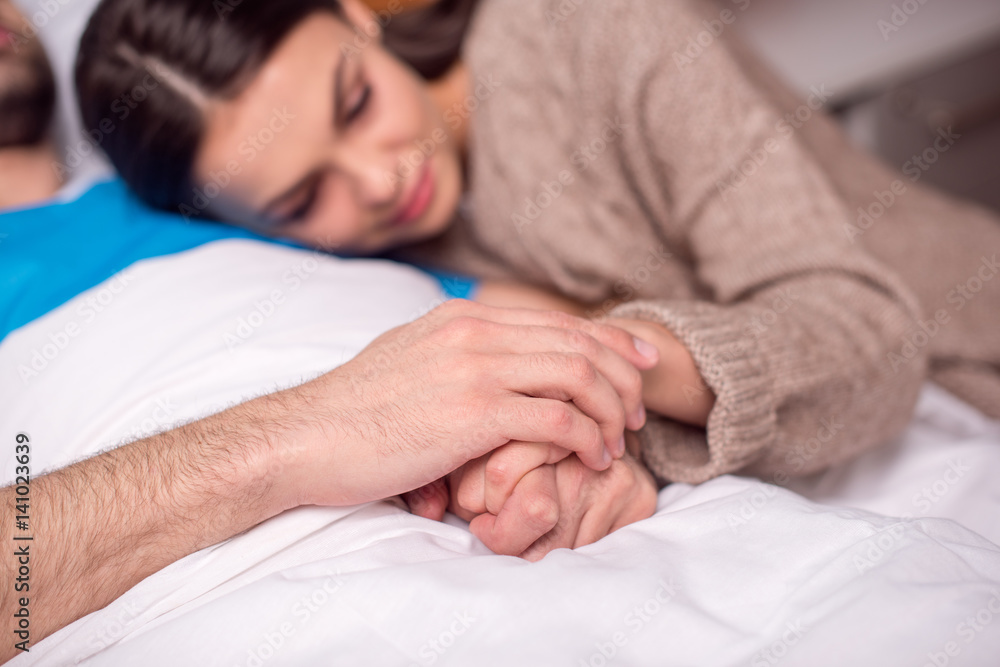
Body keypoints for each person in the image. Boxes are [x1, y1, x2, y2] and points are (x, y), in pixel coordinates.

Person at [74, 0, 1000, 533]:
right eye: (302, 198)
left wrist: (598, 363)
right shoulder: (371, 274)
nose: (380, 178)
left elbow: (869, 335)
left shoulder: (592, 26)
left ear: (358, 13)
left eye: (354, 102)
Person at [0, 0, 660, 655]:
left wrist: (568, 441)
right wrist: (311, 432)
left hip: (579, 569)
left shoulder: (212, 179)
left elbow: (597, 347)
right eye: (304, 196)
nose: (376, 179)